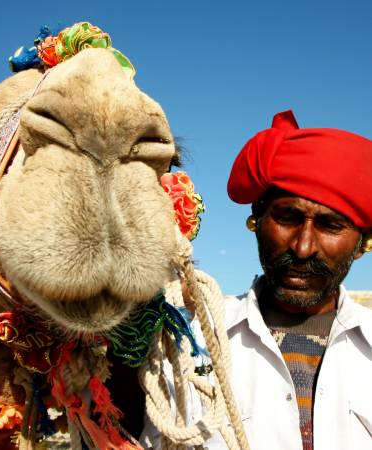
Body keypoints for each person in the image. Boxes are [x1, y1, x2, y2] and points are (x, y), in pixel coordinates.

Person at [141, 110, 372, 450]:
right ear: (257, 221)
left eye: (330, 225)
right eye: (287, 217)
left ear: (362, 244)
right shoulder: (191, 340)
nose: (303, 247)